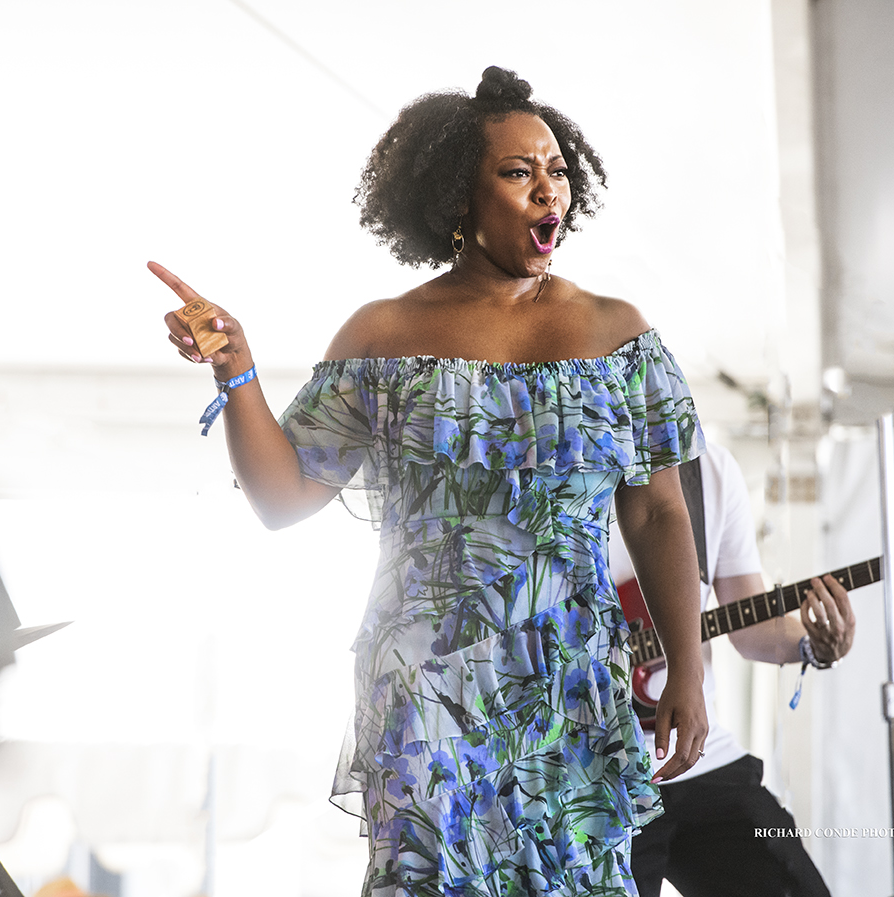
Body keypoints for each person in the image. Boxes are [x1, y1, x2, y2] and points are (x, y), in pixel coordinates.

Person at [155, 67, 708, 896]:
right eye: (517, 172)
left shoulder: (615, 334)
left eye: (555, 169)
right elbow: (280, 499)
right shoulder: (385, 335)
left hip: (569, 687)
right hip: (427, 689)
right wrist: (236, 369)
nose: (545, 189)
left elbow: (661, 515)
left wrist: (687, 676)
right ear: (459, 197)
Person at [610, 443, 855, 897]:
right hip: (598, 767)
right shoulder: (558, 465)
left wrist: (812, 645)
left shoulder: (708, 473)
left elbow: (750, 626)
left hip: (699, 754)